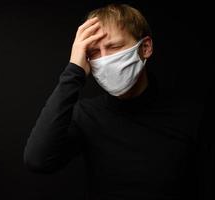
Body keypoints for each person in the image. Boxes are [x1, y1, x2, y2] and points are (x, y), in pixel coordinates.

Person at [24, 3, 204, 200]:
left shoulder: (191, 115)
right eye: (93, 52)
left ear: (145, 47)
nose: (104, 60)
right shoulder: (86, 115)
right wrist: (74, 71)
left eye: (114, 47)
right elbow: (38, 160)